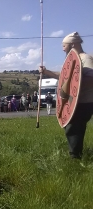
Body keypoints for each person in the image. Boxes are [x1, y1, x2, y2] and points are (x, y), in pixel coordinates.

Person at [39, 31, 93, 159]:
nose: (63, 49)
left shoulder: (85, 59)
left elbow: (91, 79)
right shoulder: (74, 59)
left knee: (74, 128)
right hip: (75, 101)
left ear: (72, 45)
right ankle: (75, 153)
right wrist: (46, 72)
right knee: (71, 127)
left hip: (83, 102)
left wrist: (73, 86)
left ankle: (75, 157)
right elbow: (65, 77)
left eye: (64, 46)